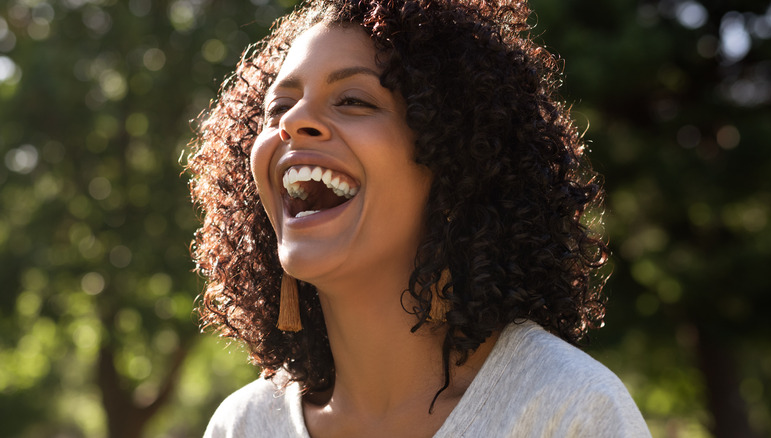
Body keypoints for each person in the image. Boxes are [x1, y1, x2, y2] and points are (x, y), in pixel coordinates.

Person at [187, 0, 652, 436]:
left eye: (353, 100)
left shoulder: (567, 409)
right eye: (278, 107)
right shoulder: (244, 425)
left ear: (454, 162)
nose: (292, 121)